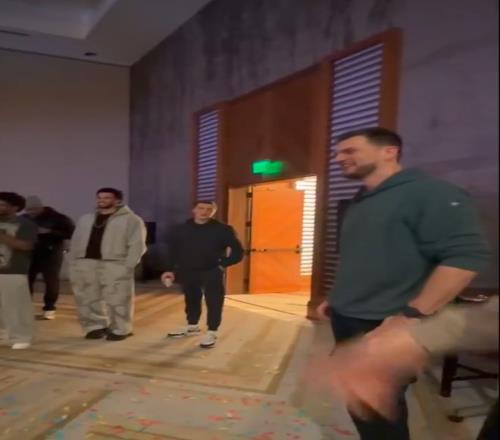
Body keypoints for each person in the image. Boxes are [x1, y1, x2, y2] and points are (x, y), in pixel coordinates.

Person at [316, 127, 490, 440]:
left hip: (387, 319)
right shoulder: (361, 199)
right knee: (361, 397)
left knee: (375, 409)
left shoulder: (431, 193)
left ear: (389, 151)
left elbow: (465, 259)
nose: (339, 158)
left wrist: (410, 316)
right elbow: (362, 256)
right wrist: (336, 296)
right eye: (338, 152)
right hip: (349, 314)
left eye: (350, 150)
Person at [329, 296, 499, 440]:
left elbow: (463, 268)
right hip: (349, 310)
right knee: (360, 399)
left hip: (392, 317)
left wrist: (417, 335)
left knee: (376, 404)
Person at [161, 200, 243, 348]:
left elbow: (238, 251)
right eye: (201, 208)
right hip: (188, 270)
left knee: (214, 301)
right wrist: (169, 270)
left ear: (213, 212)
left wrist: (223, 264)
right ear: (194, 210)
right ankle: (192, 326)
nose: (204, 212)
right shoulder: (182, 229)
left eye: (209, 209)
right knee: (191, 298)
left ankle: (212, 331)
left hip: (212, 270)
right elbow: (173, 251)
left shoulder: (223, 229)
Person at [68, 188, 147, 341]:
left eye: (107, 197)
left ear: (117, 200)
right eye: (99, 197)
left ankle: (121, 329)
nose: (101, 200)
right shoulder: (86, 219)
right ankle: (95, 327)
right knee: (88, 297)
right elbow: (76, 241)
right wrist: (74, 261)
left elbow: (137, 244)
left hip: (115, 263)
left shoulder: (131, 220)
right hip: (86, 263)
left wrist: (129, 265)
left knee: (118, 298)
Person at [24, 196, 74, 319]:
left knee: (51, 281)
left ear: (41, 207)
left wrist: (50, 232)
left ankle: (49, 308)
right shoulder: (24, 218)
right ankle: (25, 307)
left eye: (34, 209)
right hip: (29, 253)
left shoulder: (58, 218)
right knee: (25, 281)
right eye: (29, 210)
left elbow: (71, 233)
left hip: (51, 254)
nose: (32, 212)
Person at [0, 192, 37, 349]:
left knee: (16, 307)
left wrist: (3, 237)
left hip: (13, 270)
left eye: (3, 204)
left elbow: (26, 246)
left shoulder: (25, 224)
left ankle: (22, 336)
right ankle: (2, 335)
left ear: (15, 207)